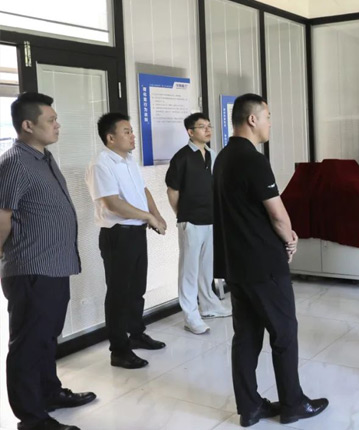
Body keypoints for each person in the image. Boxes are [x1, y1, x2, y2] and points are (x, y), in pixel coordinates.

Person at [213, 93, 328, 427]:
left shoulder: (223, 158)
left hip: (236, 264)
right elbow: (277, 214)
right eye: (267, 116)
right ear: (252, 119)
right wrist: (290, 238)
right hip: (263, 264)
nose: (270, 123)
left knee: (246, 337)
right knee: (284, 332)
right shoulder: (253, 160)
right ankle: (293, 404)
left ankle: (249, 408)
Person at [0, 92, 95, 430]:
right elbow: (3, 216)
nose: (58, 125)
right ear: (28, 125)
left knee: (46, 337)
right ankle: (32, 418)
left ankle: (49, 393)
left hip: (54, 266)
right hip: (31, 268)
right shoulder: (14, 162)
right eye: (51, 120)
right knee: (28, 344)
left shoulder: (44, 157)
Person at [86, 112, 167, 370]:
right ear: (110, 138)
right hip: (117, 235)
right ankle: (119, 350)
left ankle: (136, 334)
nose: (133, 136)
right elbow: (113, 203)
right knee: (119, 293)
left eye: (132, 131)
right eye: (127, 132)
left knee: (136, 289)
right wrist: (148, 217)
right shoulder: (101, 164)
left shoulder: (128, 159)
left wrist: (156, 214)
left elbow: (143, 190)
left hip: (136, 232)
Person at [165, 113, 231, 335]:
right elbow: (172, 191)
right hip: (190, 221)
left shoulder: (212, 154)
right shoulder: (182, 157)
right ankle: (190, 316)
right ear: (190, 132)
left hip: (211, 219)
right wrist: (182, 214)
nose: (207, 130)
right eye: (202, 126)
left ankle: (210, 305)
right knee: (189, 270)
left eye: (209, 126)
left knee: (206, 268)